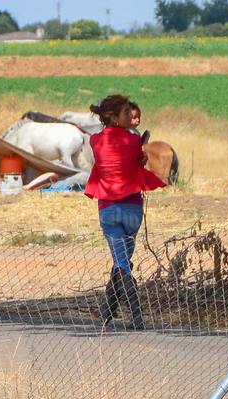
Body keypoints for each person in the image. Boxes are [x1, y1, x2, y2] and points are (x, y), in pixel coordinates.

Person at [85, 94, 167, 330]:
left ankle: (136, 317)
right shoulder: (133, 140)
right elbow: (134, 161)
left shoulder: (95, 140)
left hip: (109, 209)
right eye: (126, 114)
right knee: (122, 261)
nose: (131, 117)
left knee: (121, 263)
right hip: (133, 208)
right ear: (114, 117)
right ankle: (107, 313)